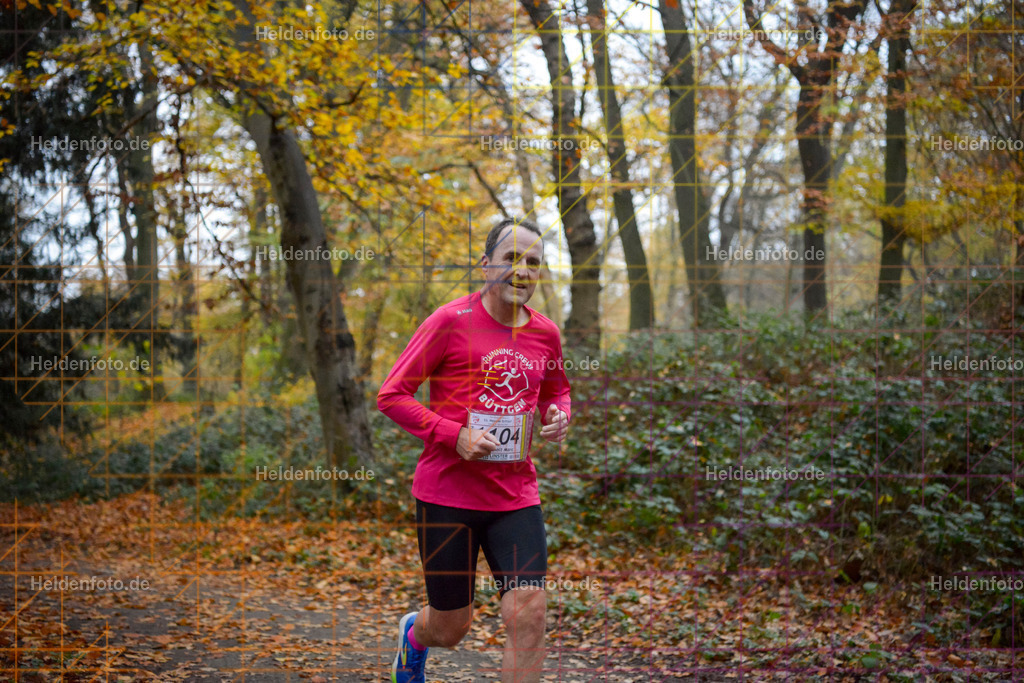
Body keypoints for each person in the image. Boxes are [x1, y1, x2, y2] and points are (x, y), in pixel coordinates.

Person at [377, 217, 572, 683]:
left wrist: (559, 414)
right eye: (511, 258)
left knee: (530, 615)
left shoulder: (546, 333)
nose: (522, 270)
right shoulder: (449, 321)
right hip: (447, 496)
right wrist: (453, 434)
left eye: (533, 262)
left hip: (515, 497)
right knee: (451, 628)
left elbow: (557, 390)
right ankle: (415, 636)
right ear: (485, 265)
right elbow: (392, 395)